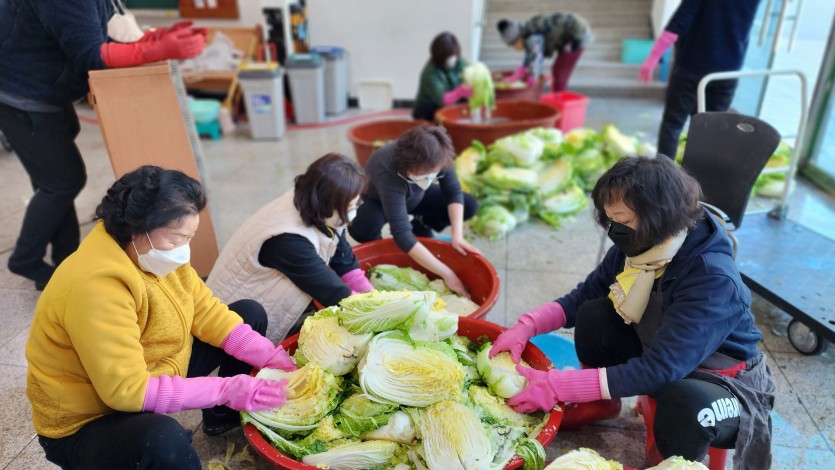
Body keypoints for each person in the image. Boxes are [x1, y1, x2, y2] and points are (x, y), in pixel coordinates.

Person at [491, 157, 776, 468]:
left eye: (621, 219)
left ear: (657, 217)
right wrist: (526, 326)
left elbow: (660, 369)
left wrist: (557, 385)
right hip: (662, 349)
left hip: (723, 382)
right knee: (594, 315)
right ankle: (599, 405)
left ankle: (662, 463)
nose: (613, 228)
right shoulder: (645, 244)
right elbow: (585, 295)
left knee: (685, 403)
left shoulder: (712, 279)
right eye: (609, 218)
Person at [26, 166, 296, 469]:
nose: (183, 250)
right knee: (165, 441)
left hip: (153, 364)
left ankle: (221, 419)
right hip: (91, 417)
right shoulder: (96, 287)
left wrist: (269, 355)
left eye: (189, 237)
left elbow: (205, 310)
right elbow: (128, 391)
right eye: (177, 239)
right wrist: (225, 390)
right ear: (136, 229)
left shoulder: (154, 251)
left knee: (247, 314)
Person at [0, 1, 206, 290]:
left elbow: (95, 36)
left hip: (44, 89)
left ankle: (66, 258)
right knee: (60, 183)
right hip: (24, 94)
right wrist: (156, 48)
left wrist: (157, 39)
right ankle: (26, 258)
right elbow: (90, 55)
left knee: (54, 179)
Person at [207, 153, 375, 342]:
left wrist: (370, 294)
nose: (353, 212)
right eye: (349, 207)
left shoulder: (316, 204)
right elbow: (331, 292)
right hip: (235, 316)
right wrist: (378, 314)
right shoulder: (287, 239)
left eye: (356, 204)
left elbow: (341, 253)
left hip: (266, 298)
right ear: (327, 205)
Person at [348, 126, 480, 297]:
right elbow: (401, 234)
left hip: (416, 197)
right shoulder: (386, 167)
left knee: (469, 204)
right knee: (362, 225)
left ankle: (421, 224)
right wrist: (448, 274)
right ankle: (380, 260)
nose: (428, 180)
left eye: (433, 176)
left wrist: (458, 236)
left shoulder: (439, 154)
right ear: (407, 167)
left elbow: (453, 191)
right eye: (424, 176)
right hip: (378, 202)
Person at [638, 0, 762, 159]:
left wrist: (652, 59)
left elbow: (680, 20)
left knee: (673, 124)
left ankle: (665, 175)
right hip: (727, 72)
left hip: (691, 68)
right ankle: (697, 179)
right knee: (709, 132)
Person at [497, 13, 592, 92]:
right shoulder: (526, 32)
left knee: (560, 71)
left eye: (512, 45)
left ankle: (558, 101)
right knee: (557, 69)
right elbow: (528, 59)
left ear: (517, 39)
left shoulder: (533, 38)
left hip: (577, 34)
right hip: (568, 36)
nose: (514, 48)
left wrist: (531, 84)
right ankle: (556, 96)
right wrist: (514, 77)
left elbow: (535, 60)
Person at [412, 32, 472, 121]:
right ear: (439, 57)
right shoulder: (430, 73)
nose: (452, 60)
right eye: (448, 58)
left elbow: (470, 73)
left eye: (453, 56)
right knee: (429, 105)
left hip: (451, 102)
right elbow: (442, 100)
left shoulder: (458, 61)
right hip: (428, 110)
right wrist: (460, 92)